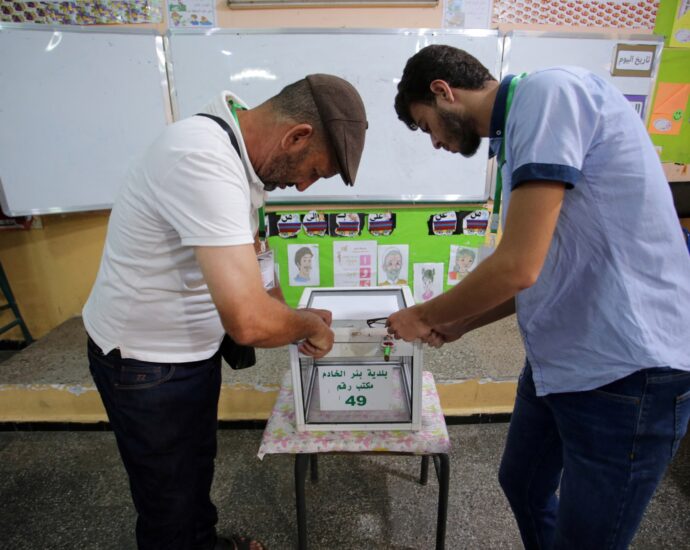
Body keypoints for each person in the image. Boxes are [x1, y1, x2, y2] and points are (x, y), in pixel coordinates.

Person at [387, 44, 690, 549]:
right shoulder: (519, 136)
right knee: (523, 483)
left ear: (443, 92)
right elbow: (543, 264)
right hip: (564, 361)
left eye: (426, 126)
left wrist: (423, 314)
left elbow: (518, 264)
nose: (436, 144)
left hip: (628, 368)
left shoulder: (548, 94)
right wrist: (462, 322)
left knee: (587, 538)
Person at [83, 74, 367, 550]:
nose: (302, 184)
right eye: (313, 171)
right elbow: (248, 321)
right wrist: (307, 324)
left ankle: (204, 541)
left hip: (186, 352)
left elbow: (253, 261)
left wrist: (289, 312)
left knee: (193, 468)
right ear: (296, 135)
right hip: (145, 363)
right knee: (168, 500)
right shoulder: (202, 158)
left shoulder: (235, 157)